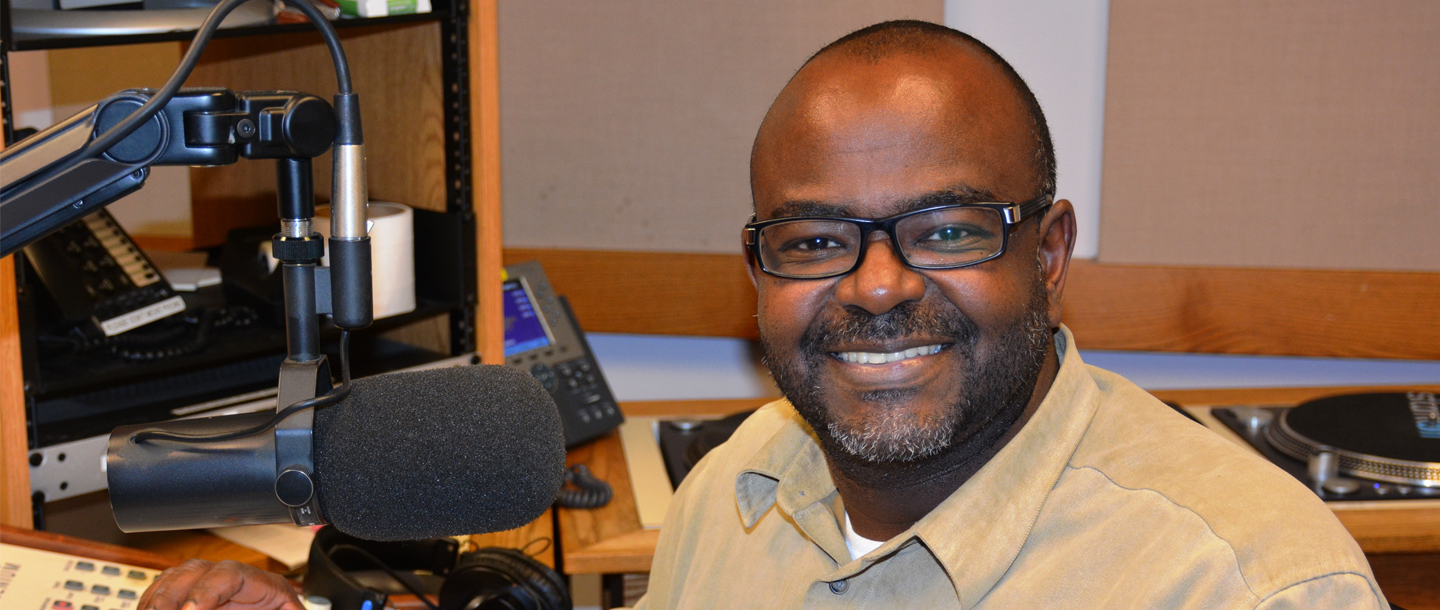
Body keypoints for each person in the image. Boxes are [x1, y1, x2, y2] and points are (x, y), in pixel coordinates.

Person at [134, 20, 1386, 610]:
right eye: (816, 239)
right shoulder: (747, 485)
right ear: (760, 270)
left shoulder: (1248, 584)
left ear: (1049, 252)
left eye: (947, 228)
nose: (879, 285)